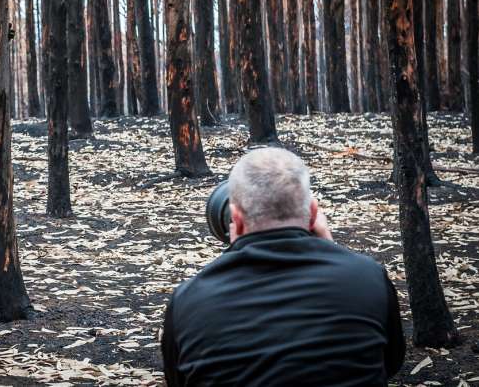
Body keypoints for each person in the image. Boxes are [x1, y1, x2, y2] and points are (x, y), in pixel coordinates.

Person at [161, 148, 405, 386]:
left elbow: (177, 380)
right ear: (312, 213)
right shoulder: (368, 277)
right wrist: (333, 250)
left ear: (235, 219)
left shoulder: (188, 300)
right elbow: (390, 363)